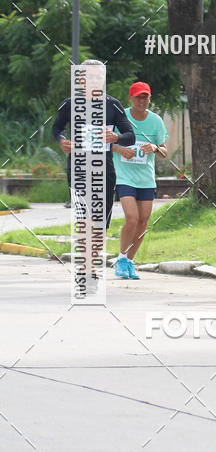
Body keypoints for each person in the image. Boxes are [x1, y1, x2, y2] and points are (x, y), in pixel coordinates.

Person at [52, 59, 135, 293]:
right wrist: (62, 141)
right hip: (78, 167)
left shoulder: (113, 105)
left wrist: (115, 138)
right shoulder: (70, 104)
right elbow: (56, 128)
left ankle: (90, 267)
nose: (96, 80)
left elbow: (130, 136)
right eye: (90, 76)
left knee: (98, 222)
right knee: (84, 220)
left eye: (100, 76)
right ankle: (86, 270)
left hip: (104, 170)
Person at [112, 81, 168, 280]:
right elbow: (103, 142)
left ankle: (130, 261)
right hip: (124, 176)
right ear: (131, 98)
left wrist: (154, 148)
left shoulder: (156, 121)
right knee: (132, 218)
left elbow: (164, 151)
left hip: (146, 179)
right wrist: (120, 149)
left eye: (145, 97)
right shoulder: (120, 117)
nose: (142, 101)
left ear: (149, 98)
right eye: (138, 97)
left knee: (143, 221)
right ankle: (120, 258)